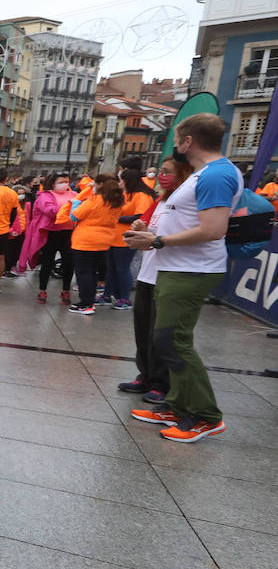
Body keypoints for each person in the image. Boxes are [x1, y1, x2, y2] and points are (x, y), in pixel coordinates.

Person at [123, 113, 241, 442]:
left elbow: (213, 229)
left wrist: (158, 241)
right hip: (176, 266)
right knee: (167, 340)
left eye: (178, 139)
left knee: (172, 341)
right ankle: (177, 405)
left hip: (191, 268)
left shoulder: (216, 175)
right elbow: (189, 221)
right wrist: (150, 231)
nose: (175, 145)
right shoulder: (205, 174)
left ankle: (206, 416)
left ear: (189, 141)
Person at [118, 158, 187, 403]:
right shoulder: (161, 200)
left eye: (168, 172)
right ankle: (145, 374)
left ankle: (161, 382)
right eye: (161, 171)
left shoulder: (185, 203)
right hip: (148, 271)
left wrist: (154, 237)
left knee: (160, 331)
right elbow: (146, 225)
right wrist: (140, 225)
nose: (161, 176)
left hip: (169, 272)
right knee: (143, 327)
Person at [61, 174, 125, 316]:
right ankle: (89, 301)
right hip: (104, 240)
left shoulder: (95, 200)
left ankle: (86, 303)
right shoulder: (117, 200)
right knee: (92, 272)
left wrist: (76, 203)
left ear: (100, 184)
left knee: (83, 273)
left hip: (86, 240)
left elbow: (75, 216)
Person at [103, 167, 156, 309]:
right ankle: (107, 295)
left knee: (122, 268)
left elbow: (141, 216)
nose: (119, 182)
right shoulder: (125, 194)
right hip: (113, 237)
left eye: (121, 180)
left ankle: (125, 298)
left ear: (127, 181)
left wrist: (117, 218)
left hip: (127, 238)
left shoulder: (141, 196)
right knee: (112, 268)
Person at [23, 173, 76, 304]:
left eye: (67, 181)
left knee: (68, 264)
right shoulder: (44, 195)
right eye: (62, 181)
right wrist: (71, 208)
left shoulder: (73, 195)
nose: (65, 184)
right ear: (53, 183)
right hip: (50, 233)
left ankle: (66, 291)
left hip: (68, 232)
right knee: (47, 263)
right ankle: (42, 290)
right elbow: (51, 211)